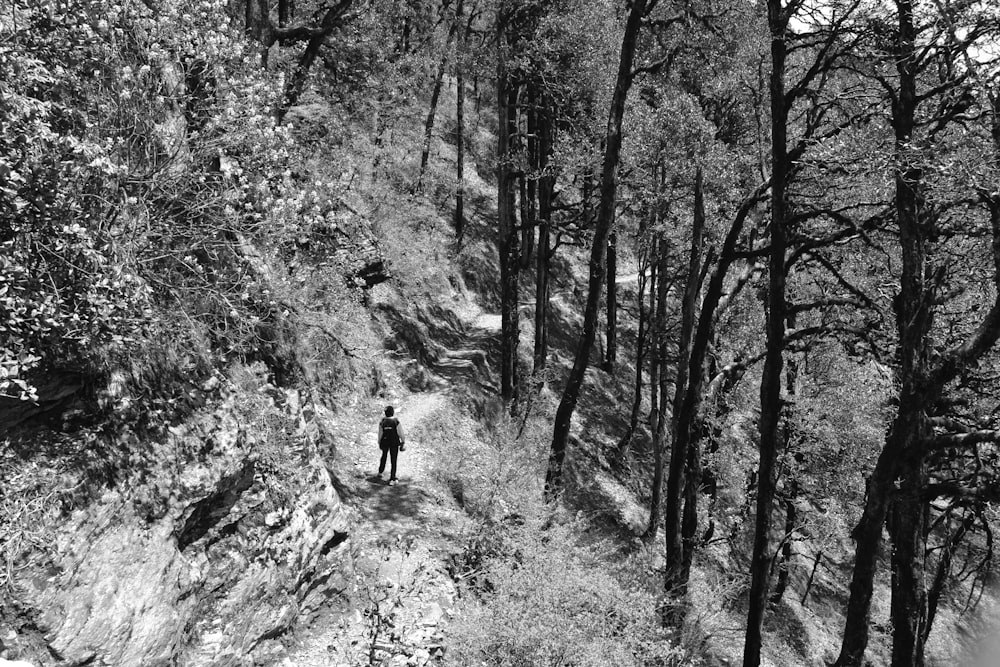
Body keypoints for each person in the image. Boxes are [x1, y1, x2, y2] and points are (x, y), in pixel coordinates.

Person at [377, 405, 405, 485]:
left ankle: (380, 472)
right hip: (394, 442)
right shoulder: (396, 421)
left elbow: (380, 433)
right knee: (393, 459)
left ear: (385, 413)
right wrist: (403, 441)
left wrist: (379, 442)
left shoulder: (382, 421)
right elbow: (401, 433)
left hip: (385, 442)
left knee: (384, 456)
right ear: (393, 412)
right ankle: (392, 478)